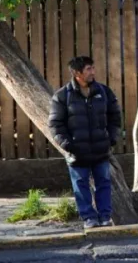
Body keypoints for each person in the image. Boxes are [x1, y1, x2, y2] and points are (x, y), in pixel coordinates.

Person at [48, 56, 122, 228]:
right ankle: (89, 218)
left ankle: (105, 217)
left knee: (103, 183)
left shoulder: (104, 92)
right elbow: (55, 125)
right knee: (80, 186)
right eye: (88, 69)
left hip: (100, 150)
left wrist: (111, 139)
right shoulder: (61, 96)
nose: (93, 72)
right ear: (76, 73)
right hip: (77, 152)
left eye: (93, 68)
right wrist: (68, 145)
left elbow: (115, 117)